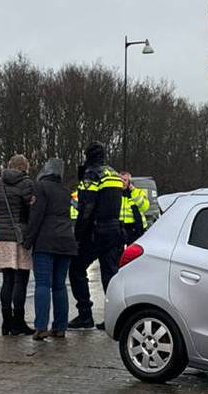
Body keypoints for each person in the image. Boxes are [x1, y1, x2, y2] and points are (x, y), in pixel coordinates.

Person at [67, 141, 126, 330]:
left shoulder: (92, 174)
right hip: (115, 230)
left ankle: (85, 315)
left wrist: (78, 236)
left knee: (76, 269)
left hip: (96, 231)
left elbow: (87, 208)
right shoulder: (114, 174)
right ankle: (114, 317)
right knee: (110, 275)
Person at [24, 158, 78, 340]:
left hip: (45, 242)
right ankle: (60, 327)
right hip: (66, 241)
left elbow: (36, 216)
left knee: (43, 284)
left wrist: (28, 241)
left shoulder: (40, 187)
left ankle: (41, 327)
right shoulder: (66, 191)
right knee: (59, 285)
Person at [0, 154, 36, 336]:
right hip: (18, 237)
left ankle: (6, 323)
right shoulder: (26, 184)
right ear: (24, 168)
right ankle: (19, 322)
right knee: (20, 280)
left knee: (7, 280)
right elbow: (31, 210)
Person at [118, 171, 150, 245]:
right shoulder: (115, 194)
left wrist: (133, 192)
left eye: (125, 180)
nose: (122, 182)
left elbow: (145, 207)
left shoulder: (138, 192)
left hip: (135, 227)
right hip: (120, 227)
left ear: (129, 182)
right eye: (120, 180)